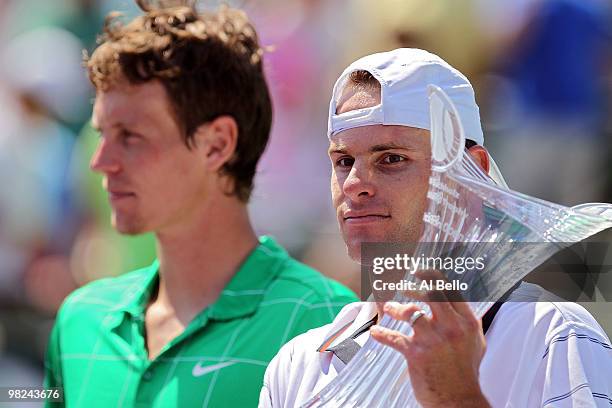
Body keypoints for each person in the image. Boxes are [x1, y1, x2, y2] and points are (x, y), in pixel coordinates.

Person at [43, 3, 358, 407]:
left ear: (217, 145)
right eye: (102, 134)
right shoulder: (78, 321)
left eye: (131, 136)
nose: (100, 162)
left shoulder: (331, 323)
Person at [259, 48, 612, 407]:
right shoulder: (299, 365)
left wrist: (457, 397)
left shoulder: (554, 336)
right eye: (344, 160)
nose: (354, 183)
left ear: (471, 175)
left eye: (392, 159)